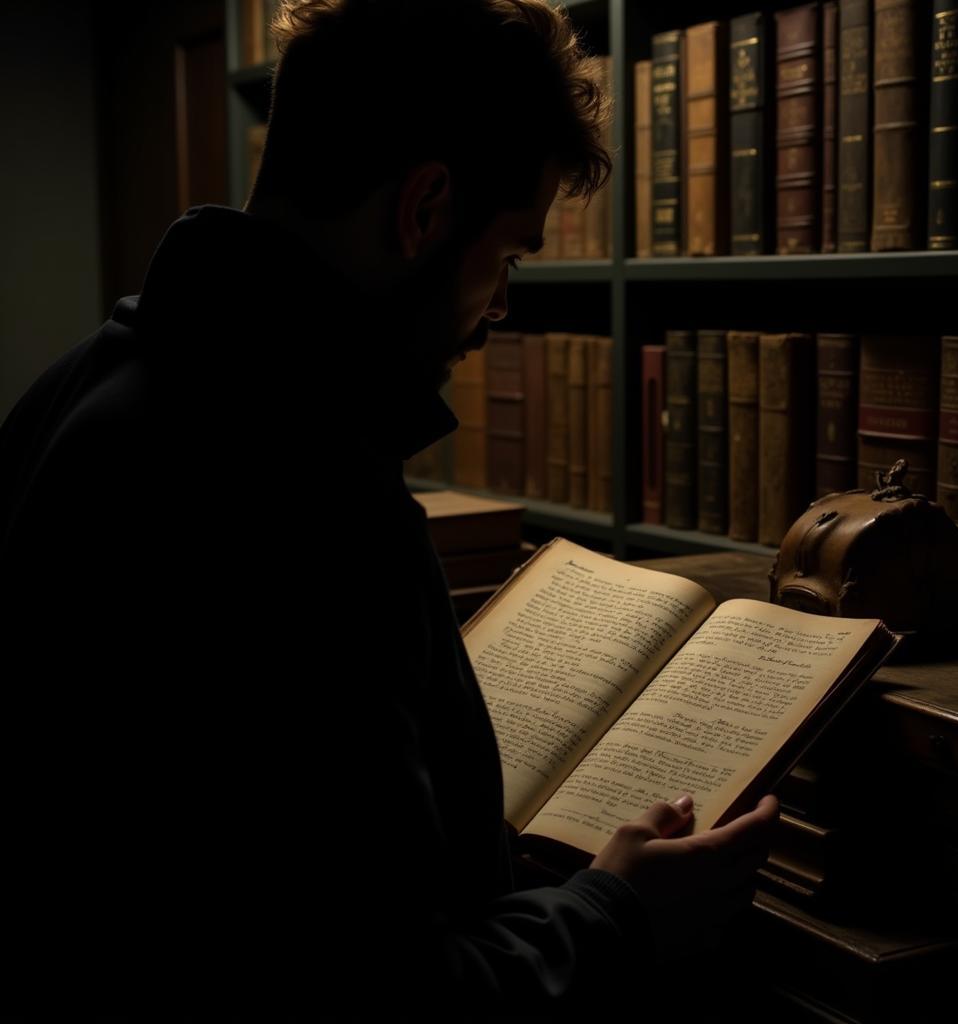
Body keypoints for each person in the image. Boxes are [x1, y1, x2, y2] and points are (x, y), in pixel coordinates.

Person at [0, 0, 779, 1014]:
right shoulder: (298, 492)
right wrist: (615, 910)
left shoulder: (79, 385)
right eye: (506, 256)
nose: (498, 308)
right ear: (423, 208)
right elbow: (377, 997)